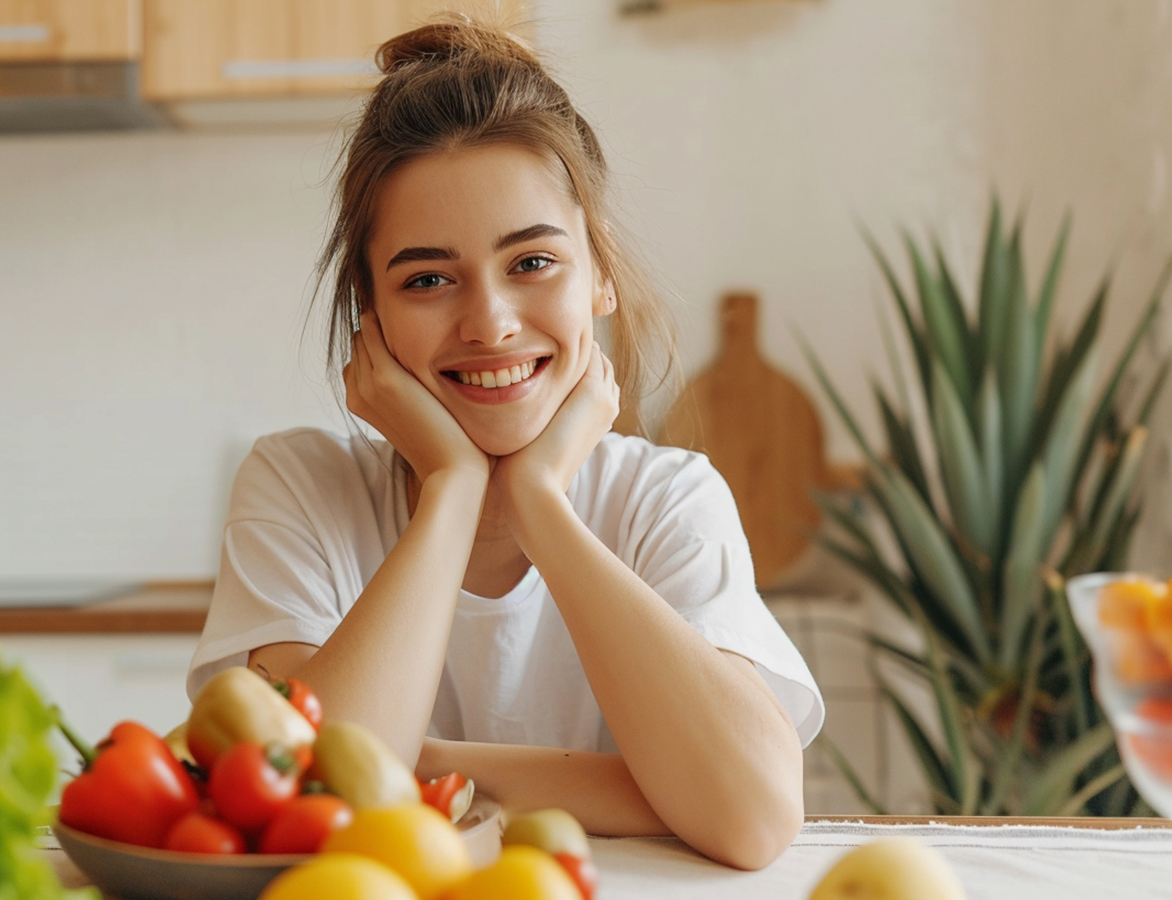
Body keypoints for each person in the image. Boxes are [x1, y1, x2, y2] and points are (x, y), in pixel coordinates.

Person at [186, 17, 823, 871]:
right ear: (368, 317)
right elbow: (304, 806)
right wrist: (451, 487)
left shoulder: (669, 498)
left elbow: (748, 815)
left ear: (600, 276)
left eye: (531, 264)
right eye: (427, 280)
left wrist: (537, 502)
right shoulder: (298, 485)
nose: (488, 322)